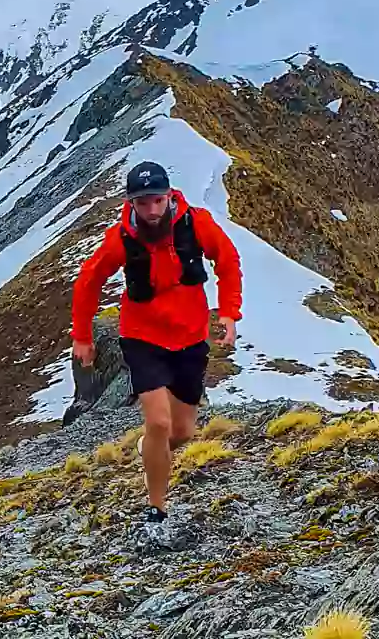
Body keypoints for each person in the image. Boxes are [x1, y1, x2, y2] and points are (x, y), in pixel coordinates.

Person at [70, 160, 243, 523]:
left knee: (181, 431)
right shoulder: (120, 239)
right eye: (142, 202)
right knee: (160, 424)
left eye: (157, 201)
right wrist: (83, 337)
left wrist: (228, 312)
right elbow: (88, 282)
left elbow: (227, 260)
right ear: (131, 203)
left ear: (168, 197)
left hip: (191, 338)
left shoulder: (196, 224)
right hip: (142, 338)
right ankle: (157, 506)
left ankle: (148, 450)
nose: (150, 210)